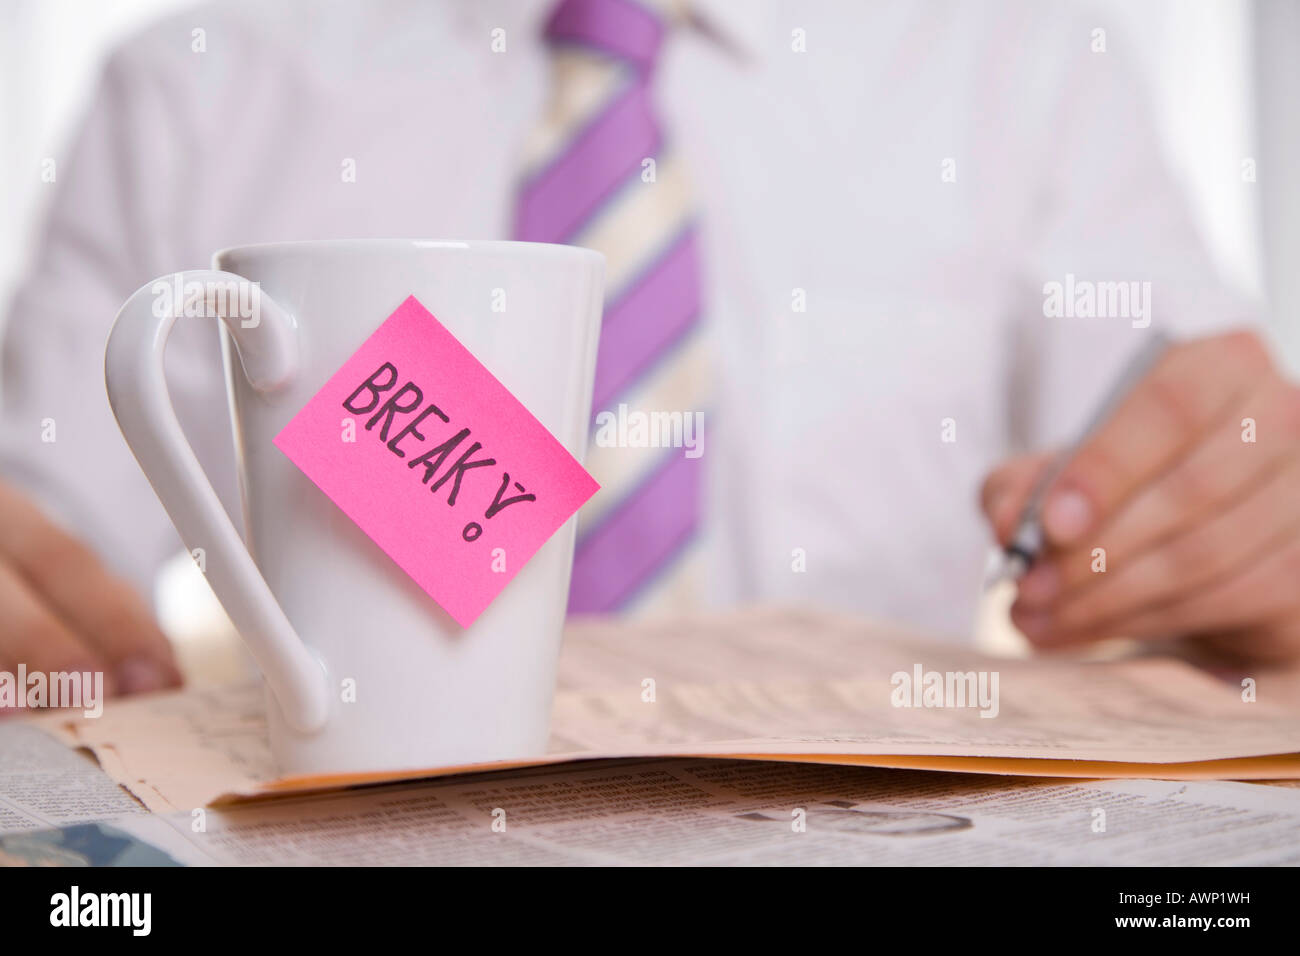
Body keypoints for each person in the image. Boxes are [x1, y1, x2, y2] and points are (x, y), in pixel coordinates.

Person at [2, 0, 1296, 703]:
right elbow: (47, 553)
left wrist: (1246, 536)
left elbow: (1196, 450)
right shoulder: (189, 82)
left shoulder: (1028, 59)